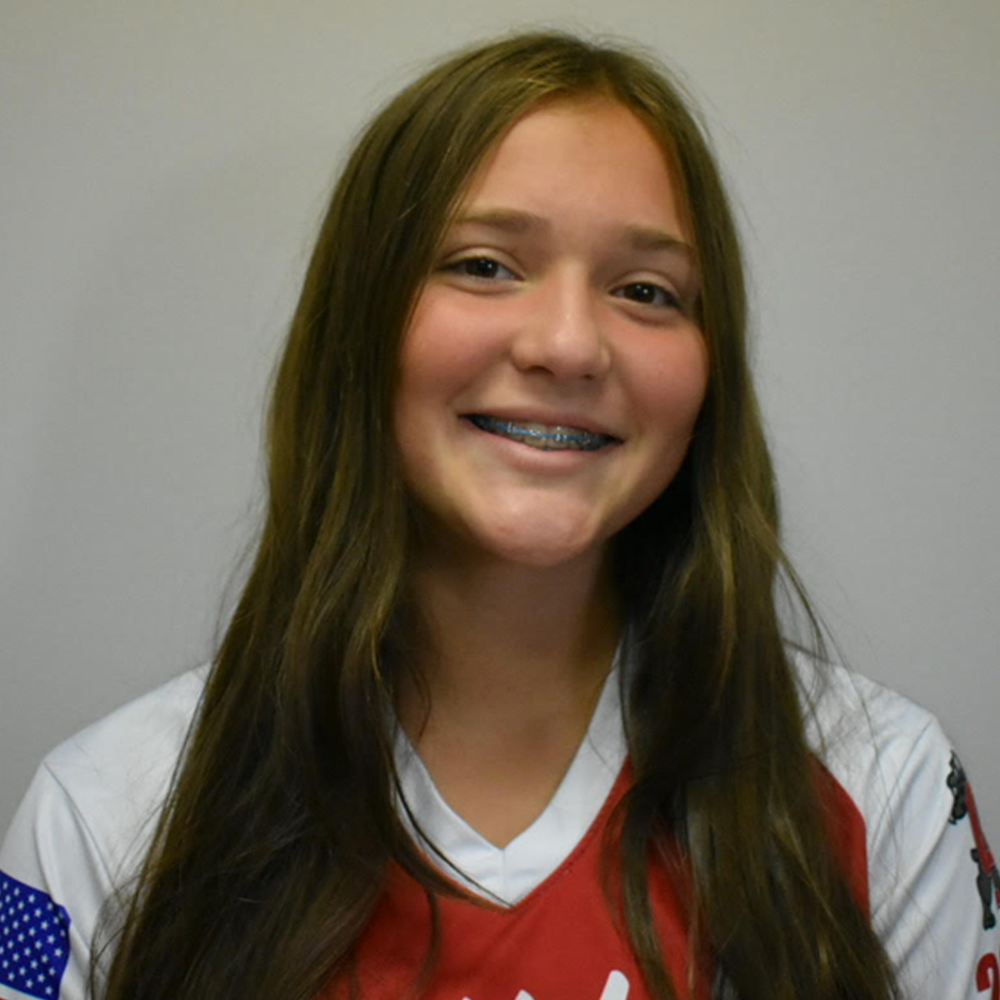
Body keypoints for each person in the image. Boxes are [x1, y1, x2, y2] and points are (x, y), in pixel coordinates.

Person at [1, 30, 996, 1000]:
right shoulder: (93, 815)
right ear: (359, 323)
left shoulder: (891, 788)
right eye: (484, 265)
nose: (569, 345)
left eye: (645, 290)